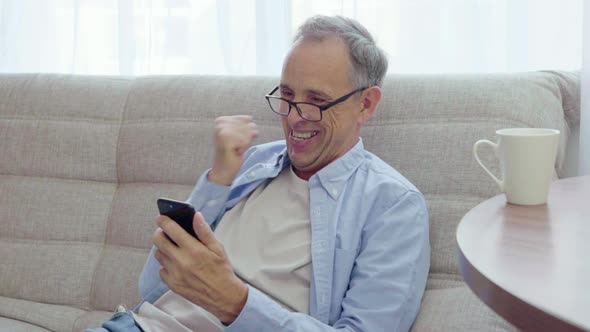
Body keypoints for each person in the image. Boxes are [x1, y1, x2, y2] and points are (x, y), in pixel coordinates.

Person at [88, 14, 430, 332]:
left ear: (366, 104)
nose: (294, 118)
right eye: (286, 95)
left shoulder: (393, 205)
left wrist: (235, 302)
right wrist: (217, 179)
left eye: (315, 101)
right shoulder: (253, 162)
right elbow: (153, 287)